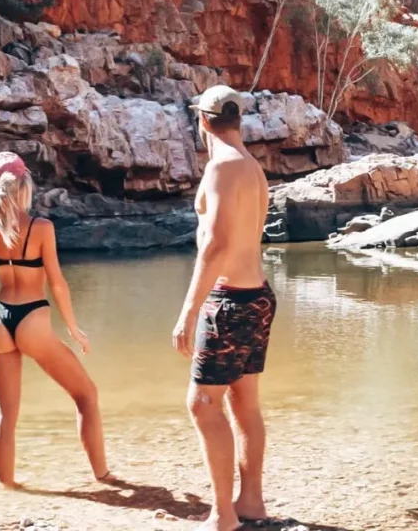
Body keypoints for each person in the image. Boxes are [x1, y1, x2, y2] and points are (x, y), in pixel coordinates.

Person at [172, 86, 276, 531]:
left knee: (201, 403)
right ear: (237, 120)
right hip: (259, 297)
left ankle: (222, 516)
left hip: (229, 300)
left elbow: (214, 245)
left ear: (202, 121)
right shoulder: (252, 169)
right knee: (245, 401)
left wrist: (188, 311)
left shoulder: (220, 169)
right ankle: (250, 502)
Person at [0, 151, 110, 487]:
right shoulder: (40, 228)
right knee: (86, 395)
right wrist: (73, 329)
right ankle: (103, 476)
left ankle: (8, 488)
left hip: (0, 321)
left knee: (6, 415)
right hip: (32, 317)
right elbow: (58, 284)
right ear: (25, 186)